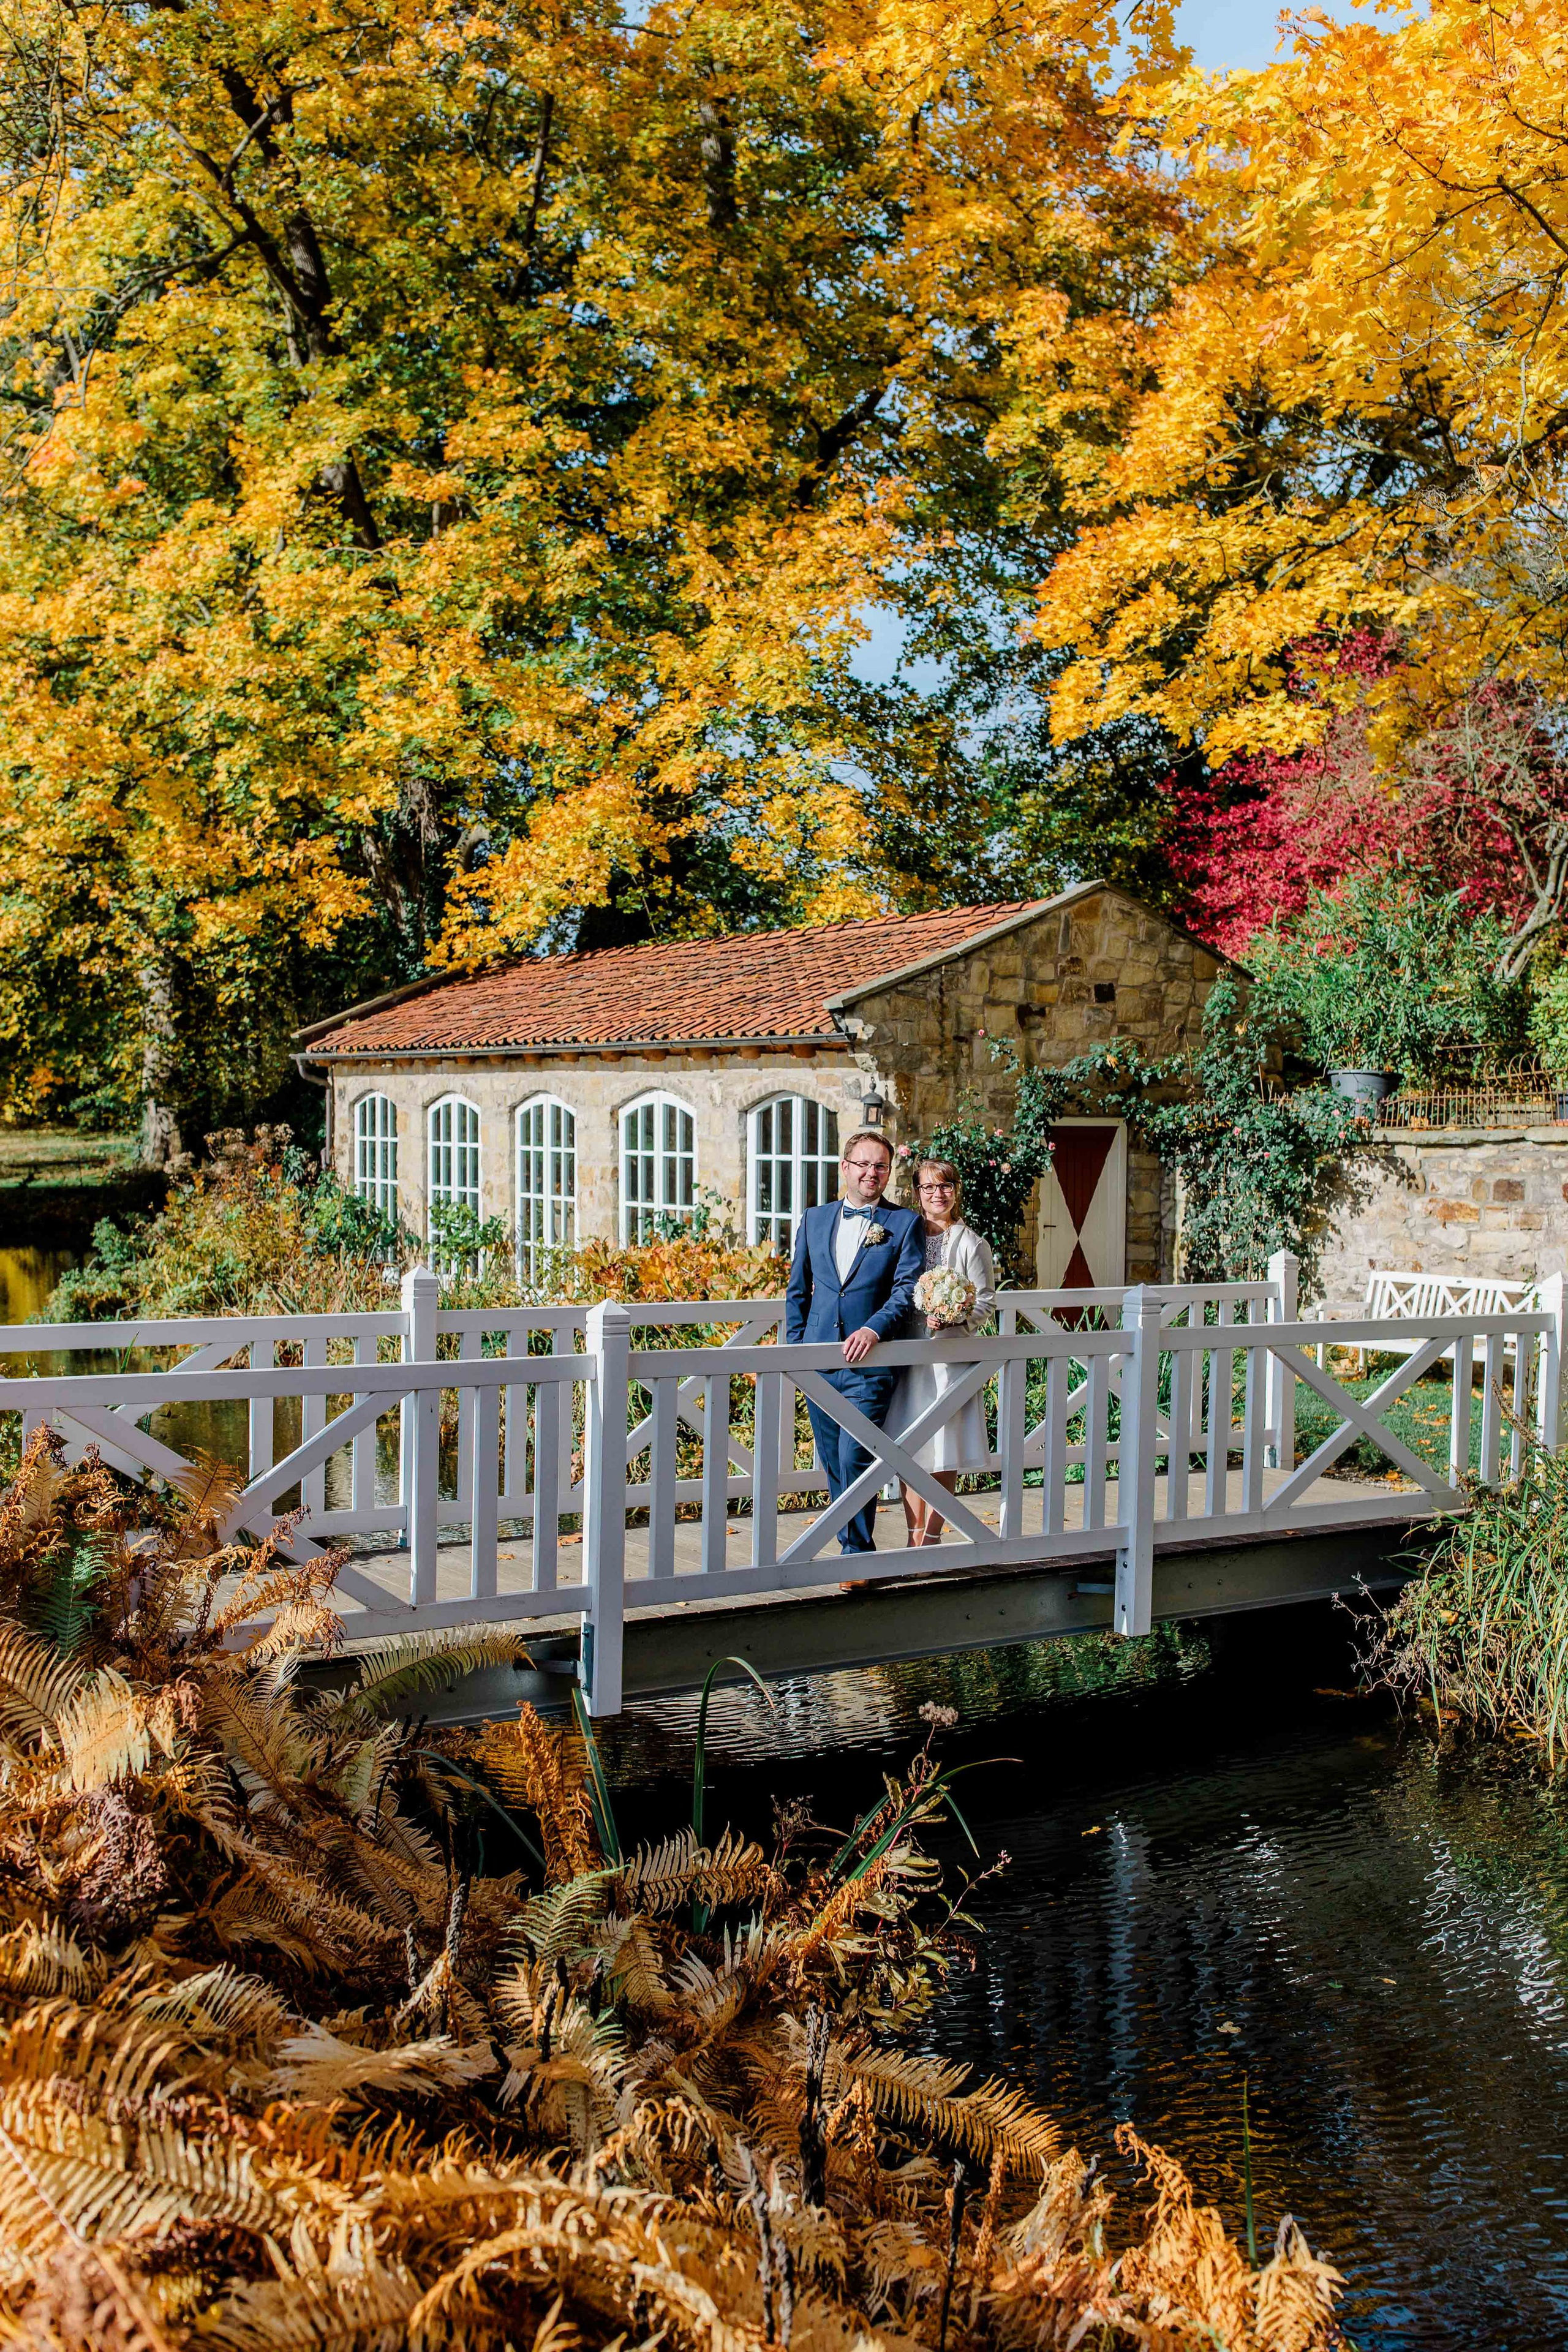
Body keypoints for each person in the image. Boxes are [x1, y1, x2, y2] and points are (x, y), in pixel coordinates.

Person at [783, 1128, 925, 1553]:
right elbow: (797, 1291)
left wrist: (874, 1329)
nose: (871, 1173)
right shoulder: (815, 1218)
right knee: (831, 1459)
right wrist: (794, 1353)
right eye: (863, 1164)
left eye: (880, 1166)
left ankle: (856, 1553)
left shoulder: (903, 1224)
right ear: (845, 1168)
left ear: (888, 1173)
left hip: (871, 1363)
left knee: (854, 1457)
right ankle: (852, 1543)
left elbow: (906, 1291)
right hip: (819, 1360)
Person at [887, 1158, 997, 1547]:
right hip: (909, 1357)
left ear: (956, 1190)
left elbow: (985, 1302)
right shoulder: (905, 1234)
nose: (938, 1194)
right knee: (909, 1446)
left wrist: (954, 1318)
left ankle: (931, 1537)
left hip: (949, 1361)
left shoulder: (971, 1243)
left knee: (944, 1448)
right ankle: (912, 1535)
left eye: (945, 1186)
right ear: (917, 1193)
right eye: (929, 1188)